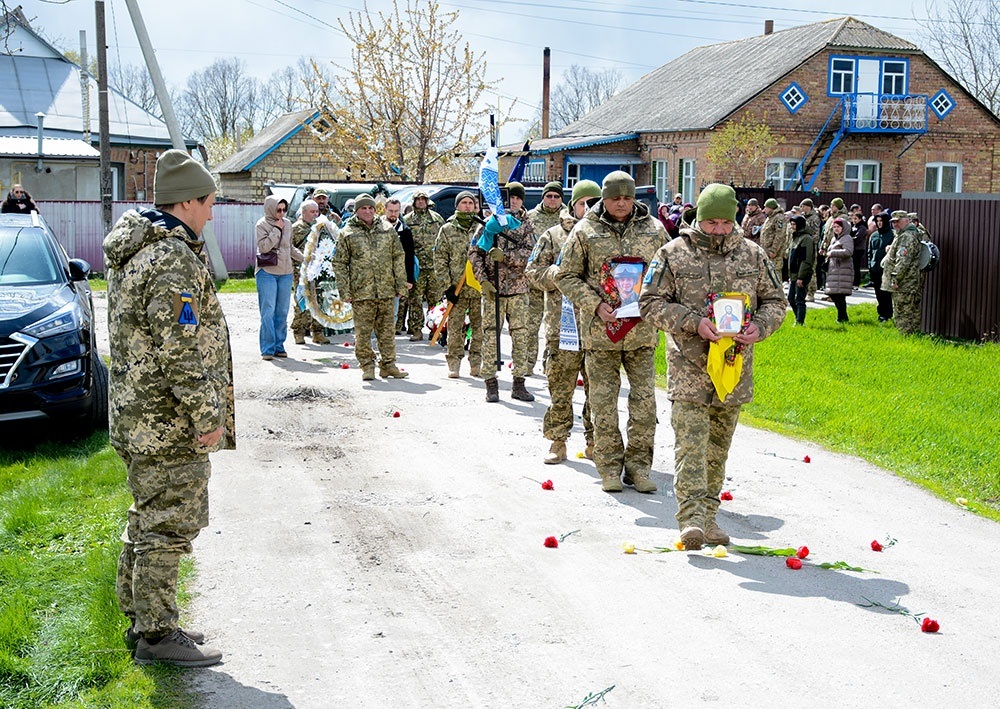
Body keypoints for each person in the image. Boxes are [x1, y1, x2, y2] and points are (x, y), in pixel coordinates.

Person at [102, 149, 232, 667]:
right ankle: (157, 634)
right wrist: (208, 416)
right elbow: (179, 350)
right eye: (209, 203)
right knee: (168, 525)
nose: (213, 213)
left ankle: (143, 617)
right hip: (166, 423)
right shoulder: (170, 257)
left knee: (148, 518)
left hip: (139, 417)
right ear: (187, 203)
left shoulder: (143, 249)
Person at [639, 183, 785, 549]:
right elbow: (649, 302)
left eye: (725, 222)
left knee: (718, 447)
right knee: (691, 444)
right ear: (699, 219)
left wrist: (760, 327)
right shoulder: (673, 254)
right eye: (711, 223)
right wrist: (692, 322)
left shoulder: (753, 255)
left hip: (733, 367)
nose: (718, 230)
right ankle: (690, 520)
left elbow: (776, 302)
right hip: (689, 367)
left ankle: (709, 516)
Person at [555, 171, 666, 494]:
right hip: (601, 333)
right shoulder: (585, 230)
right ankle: (609, 467)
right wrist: (594, 304)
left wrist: (653, 301)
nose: (621, 204)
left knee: (644, 404)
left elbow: (666, 274)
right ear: (604, 198)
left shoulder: (654, 230)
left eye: (627, 198)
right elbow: (565, 276)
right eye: (615, 198)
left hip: (642, 333)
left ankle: (639, 467)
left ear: (635, 198)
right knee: (603, 404)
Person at [526, 179, 601, 464]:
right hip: (563, 327)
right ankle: (558, 441)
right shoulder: (554, 235)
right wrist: (559, 274)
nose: (589, 208)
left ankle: (595, 442)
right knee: (560, 387)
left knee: (598, 391)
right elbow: (533, 271)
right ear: (574, 205)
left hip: (597, 327)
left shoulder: (603, 236)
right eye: (584, 203)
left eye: (594, 202)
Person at [470, 181, 537, 403]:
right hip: (493, 291)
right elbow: (475, 252)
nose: (515, 201)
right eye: (511, 198)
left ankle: (519, 382)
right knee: (490, 336)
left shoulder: (527, 226)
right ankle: (490, 383)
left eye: (518, 198)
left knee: (521, 336)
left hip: (518, 290)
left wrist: (506, 257)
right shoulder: (490, 224)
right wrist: (483, 281)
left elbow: (531, 255)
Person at [331, 194, 409, 379]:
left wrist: (401, 284)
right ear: (356, 210)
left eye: (370, 208)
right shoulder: (347, 232)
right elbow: (339, 263)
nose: (367, 211)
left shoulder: (387, 229)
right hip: (361, 292)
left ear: (376, 209)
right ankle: (367, 366)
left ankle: (388, 365)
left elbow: (398, 256)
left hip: (385, 289)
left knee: (387, 331)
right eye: (363, 208)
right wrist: (345, 290)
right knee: (363, 332)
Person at [434, 191, 483, 378]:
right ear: (457, 206)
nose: (468, 206)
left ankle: (476, 362)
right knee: (455, 328)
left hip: (478, 287)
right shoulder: (447, 229)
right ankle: (454, 363)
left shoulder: (482, 227)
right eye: (464, 202)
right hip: (457, 288)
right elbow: (440, 259)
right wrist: (447, 287)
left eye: (471, 202)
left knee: (479, 328)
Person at [526, 181, 566, 373]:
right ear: (543, 197)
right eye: (549, 196)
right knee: (531, 324)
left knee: (554, 328)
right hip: (535, 281)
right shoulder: (531, 217)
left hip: (559, 285)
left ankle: (549, 364)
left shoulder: (568, 217)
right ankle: (527, 363)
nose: (552, 200)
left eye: (556, 196)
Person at [255, 196, 302, 360]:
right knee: (268, 310)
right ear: (270, 209)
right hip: (267, 271)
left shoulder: (288, 223)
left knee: (282, 311)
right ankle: (267, 348)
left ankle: (278, 346)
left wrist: (306, 258)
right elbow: (264, 247)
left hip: (285, 272)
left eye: (284, 210)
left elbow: (289, 247)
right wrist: (276, 229)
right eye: (278, 210)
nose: (281, 214)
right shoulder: (262, 225)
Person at [402, 191, 444, 339]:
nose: (421, 202)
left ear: (427, 201)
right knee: (415, 299)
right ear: (413, 202)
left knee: (435, 300)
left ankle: (435, 330)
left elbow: (443, 241)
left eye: (423, 199)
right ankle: (416, 329)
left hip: (434, 266)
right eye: (418, 199)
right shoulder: (406, 220)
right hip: (416, 266)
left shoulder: (437, 219)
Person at [290, 199, 330, 345]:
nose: (315, 214)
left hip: (318, 269)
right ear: (303, 212)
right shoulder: (295, 228)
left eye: (316, 212)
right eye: (312, 212)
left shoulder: (320, 228)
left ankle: (318, 332)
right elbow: (289, 248)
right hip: (300, 270)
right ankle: (299, 331)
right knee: (302, 300)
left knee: (319, 301)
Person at [882, 210, 924, 335]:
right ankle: (913, 338)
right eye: (893, 222)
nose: (895, 225)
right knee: (912, 313)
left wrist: (895, 279)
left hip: (904, 283)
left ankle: (905, 338)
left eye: (897, 222)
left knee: (902, 314)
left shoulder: (906, 237)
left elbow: (903, 261)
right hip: (910, 282)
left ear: (906, 221)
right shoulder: (907, 234)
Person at [384, 198, 417, 336]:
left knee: (393, 310)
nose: (393, 214)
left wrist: (409, 279)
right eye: (391, 211)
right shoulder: (377, 227)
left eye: (396, 211)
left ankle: (388, 340)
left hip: (397, 276)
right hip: (379, 275)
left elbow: (409, 256)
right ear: (385, 210)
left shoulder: (405, 231)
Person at [824, 217, 854, 323]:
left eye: (838, 227)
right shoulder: (834, 239)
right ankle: (842, 316)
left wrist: (832, 253)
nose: (836, 229)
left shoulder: (847, 238)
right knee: (833, 293)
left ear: (843, 227)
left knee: (840, 295)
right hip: (834, 270)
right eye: (834, 227)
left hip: (843, 270)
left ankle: (842, 317)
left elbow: (848, 252)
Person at [787, 214, 814, 326]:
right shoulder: (796, 237)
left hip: (801, 274)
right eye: (791, 224)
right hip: (793, 274)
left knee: (800, 299)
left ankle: (800, 321)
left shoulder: (806, 238)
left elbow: (806, 259)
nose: (792, 226)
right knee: (791, 298)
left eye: (794, 224)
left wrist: (801, 277)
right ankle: (797, 318)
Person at [867, 213, 895, 321]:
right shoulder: (874, 235)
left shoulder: (892, 235)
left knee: (886, 293)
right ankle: (881, 313)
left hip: (886, 268)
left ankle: (887, 314)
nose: (879, 223)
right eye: (877, 221)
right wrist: (870, 265)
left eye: (881, 221)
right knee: (878, 293)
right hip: (875, 269)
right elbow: (870, 252)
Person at [800, 199, 822, 301]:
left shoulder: (814, 218)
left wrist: (809, 243)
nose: (802, 208)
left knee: (811, 269)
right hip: (802, 246)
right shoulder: (803, 217)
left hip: (810, 247)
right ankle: (802, 291)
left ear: (808, 206)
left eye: (803, 206)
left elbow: (815, 234)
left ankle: (811, 292)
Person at [759, 198, 788, 270]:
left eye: (766, 207)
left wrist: (774, 250)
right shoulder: (770, 217)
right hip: (766, 252)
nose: (764, 209)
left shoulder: (779, 217)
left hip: (774, 254)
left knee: (775, 274)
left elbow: (780, 235)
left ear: (771, 208)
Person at [849, 211, 868, 287]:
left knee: (856, 266)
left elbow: (858, 238)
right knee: (853, 266)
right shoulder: (853, 226)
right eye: (853, 219)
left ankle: (856, 282)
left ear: (860, 219)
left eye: (856, 219)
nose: (854, 220)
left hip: (859, 249)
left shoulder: (862, 228)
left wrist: (849, 240)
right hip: (854, 249)